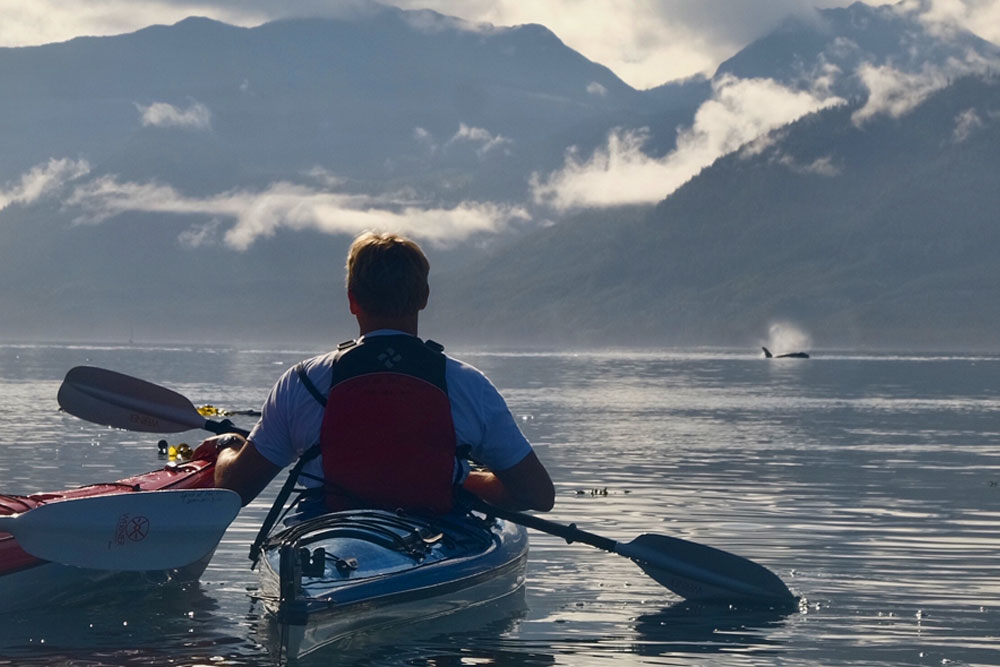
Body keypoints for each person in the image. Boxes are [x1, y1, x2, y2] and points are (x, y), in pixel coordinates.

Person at [203, 231, 555, 515]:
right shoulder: (467, 385)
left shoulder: (301, 382)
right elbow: (537, 495)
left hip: (324, 539)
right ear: (424, 297)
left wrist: (229, 447)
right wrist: (462, 479)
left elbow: (233, 490)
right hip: (433, 536)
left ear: (352, 300)